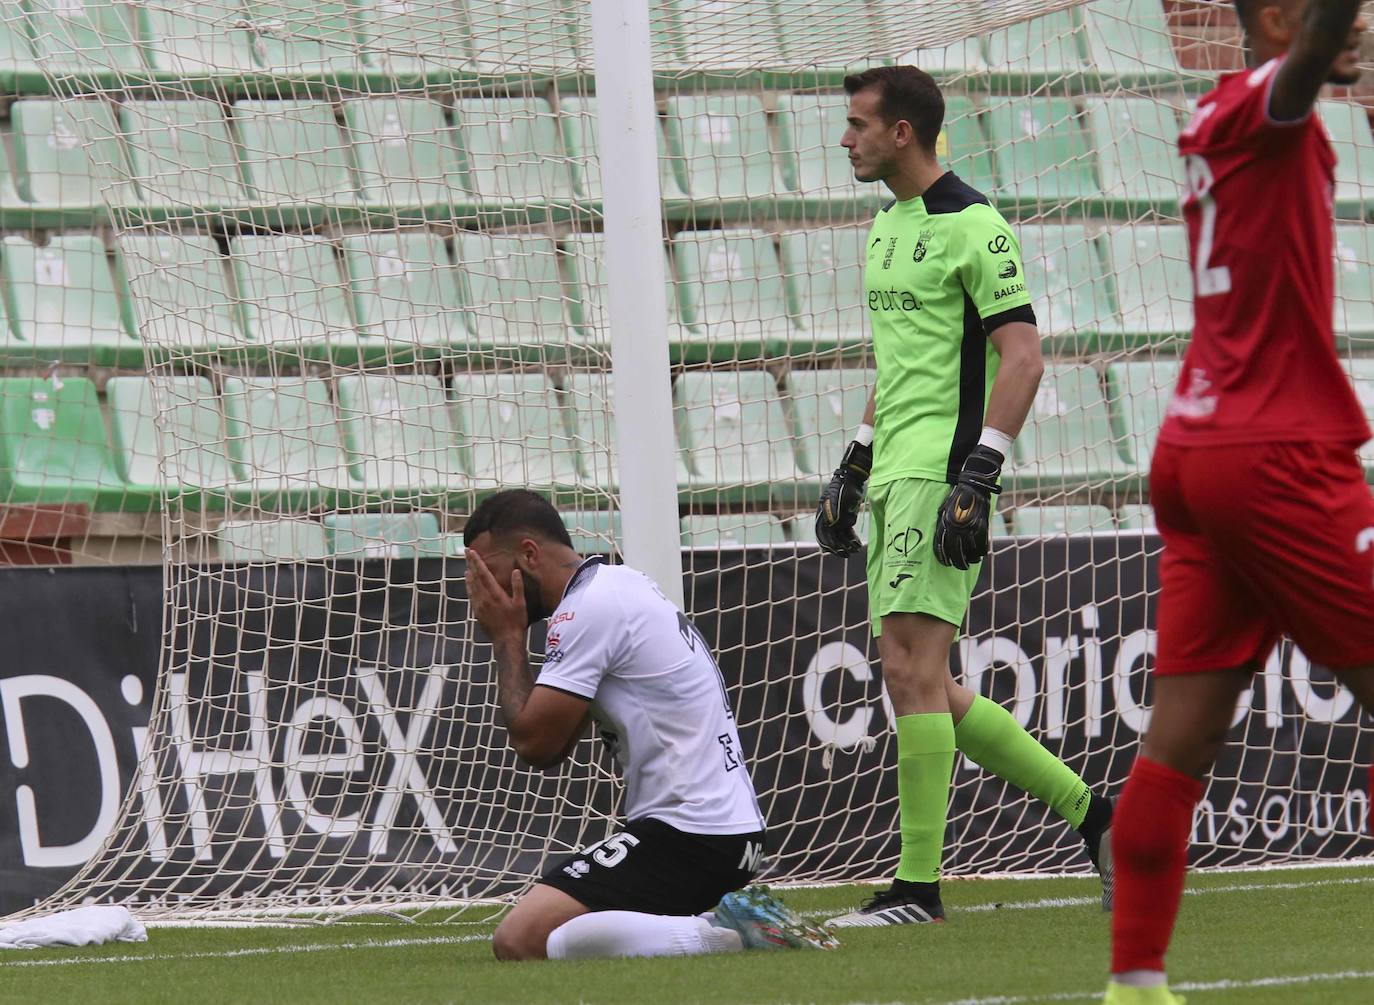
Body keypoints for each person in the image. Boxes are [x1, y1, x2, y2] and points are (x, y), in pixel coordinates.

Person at [1105, 2, 1374, 1002]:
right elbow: (1308, 62)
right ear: (1276, 18)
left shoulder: (1221, 108)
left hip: (1199, 445)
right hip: (1276, 451)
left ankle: (1134, 983)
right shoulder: (1270, 94)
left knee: (1182, 741)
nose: (1352, 32)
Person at [814, 65, 1114, 928]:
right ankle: (1099, 820)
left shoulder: (974, 225)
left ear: (901, 132)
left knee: (911, 673)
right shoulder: (883, 228)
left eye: (858, 124)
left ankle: (917, 890)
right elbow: (899, 361)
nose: (847, 139)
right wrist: (854, 461)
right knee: (930, 683)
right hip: (894, 473)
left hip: (941, 475)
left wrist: (979, 475)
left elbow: (1022, 356)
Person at [463, 489, 836, 960]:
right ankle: (713, 923)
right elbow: (553, 749)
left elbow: (534, 744)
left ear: (530, 554)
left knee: (519, 940)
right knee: (565, 931)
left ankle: (732, 933)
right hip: (722, 833)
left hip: (693, 835)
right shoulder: (617, 586)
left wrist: (507, 635)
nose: (480, 592)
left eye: (487, 574)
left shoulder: (590, 607)